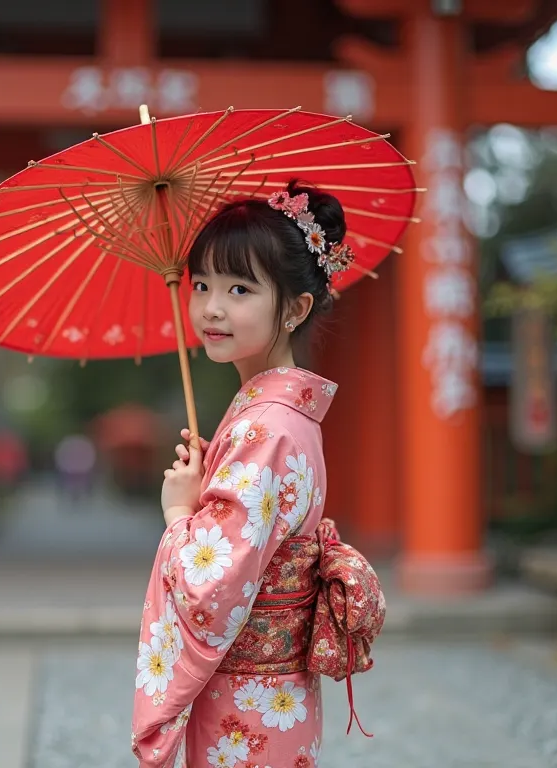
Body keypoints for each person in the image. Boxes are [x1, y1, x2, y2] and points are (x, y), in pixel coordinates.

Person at [131, 182, 387, 768]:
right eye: (201, 286)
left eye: (239, 289)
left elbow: (212, 586)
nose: (211, 307)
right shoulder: (276, 416)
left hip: (246, 701)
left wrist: (177, 512)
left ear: (295, 308)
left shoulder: (266, 428)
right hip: (271, 697)